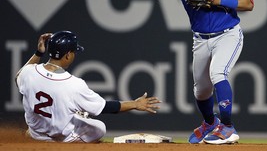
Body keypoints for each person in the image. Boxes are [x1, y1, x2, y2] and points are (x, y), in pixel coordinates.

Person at [96, 0, 254, 145]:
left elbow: (248, 3)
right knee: (201, 90)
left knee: (218, 73)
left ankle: (227, 127)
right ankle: (209, 123)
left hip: (228, 34)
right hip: (200, 39)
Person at [15, 31, 161, 142]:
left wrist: (38, 53)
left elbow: (18, 77)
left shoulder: (29, 72)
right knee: (99, 128)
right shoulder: (73, 84)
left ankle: (36, 134)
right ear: (67, 55)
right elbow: (105, 107)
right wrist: (135, 104)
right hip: (59, 137)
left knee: (67, 113)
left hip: (34, 134)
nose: (74, 55)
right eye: (73, 52)